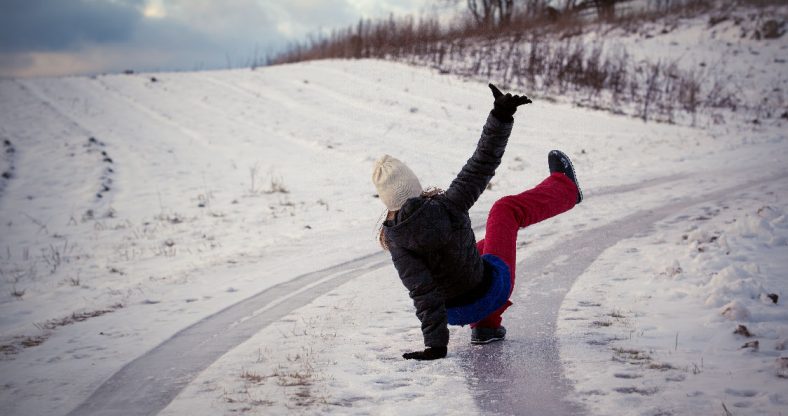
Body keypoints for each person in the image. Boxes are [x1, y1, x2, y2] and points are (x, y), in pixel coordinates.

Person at [372, 84, 582, 361]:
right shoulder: (449, 204)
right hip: (489, 291)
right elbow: (482, 163)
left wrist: (436, 346)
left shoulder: (396, 239)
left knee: (478, 247)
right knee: (504, 210)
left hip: (455, 311)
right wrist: (501, 115)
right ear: (415, 186)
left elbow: (422, 292)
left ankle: (486, 328)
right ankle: (566, 188)